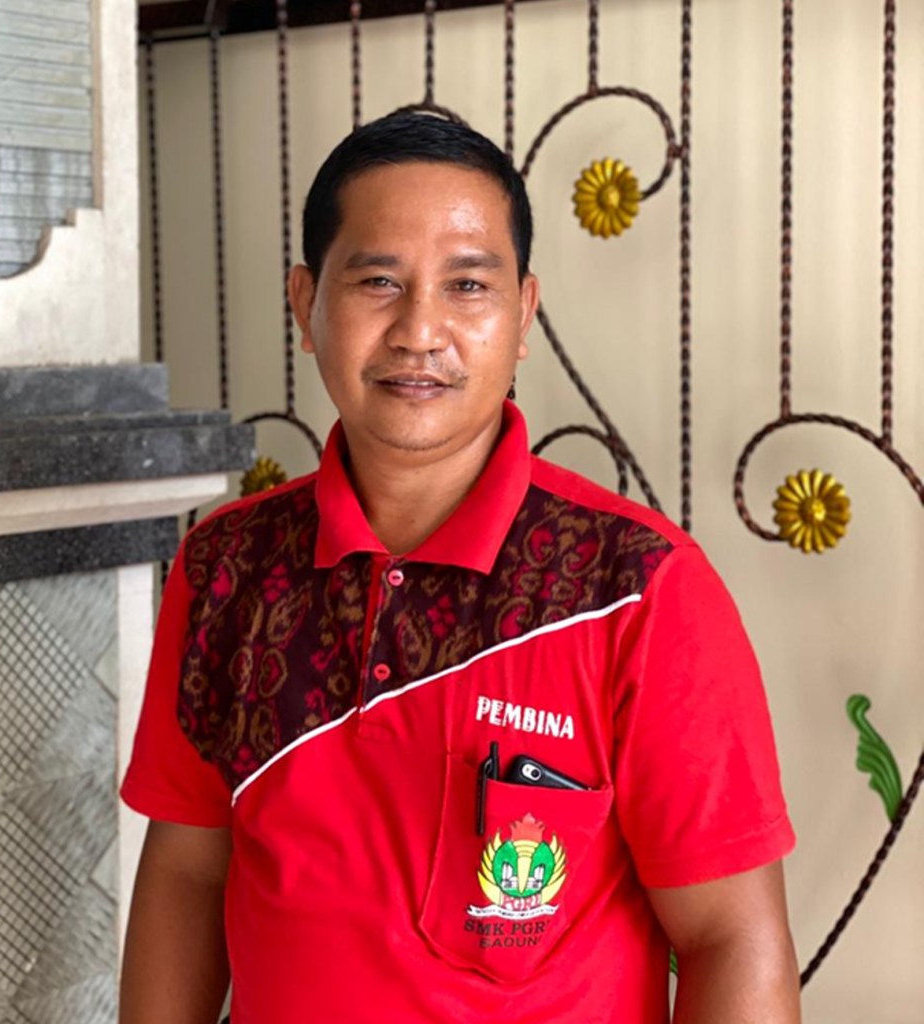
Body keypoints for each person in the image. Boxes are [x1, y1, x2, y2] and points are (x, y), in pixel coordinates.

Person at [119, 111, 800, 1024]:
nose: (420, 330)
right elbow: (188, 872)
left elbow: (732, 936)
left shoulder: (635, 588)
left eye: (468, 285)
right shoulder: (227, 567)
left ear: (522, 316)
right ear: (305, 304)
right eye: (378, 281)